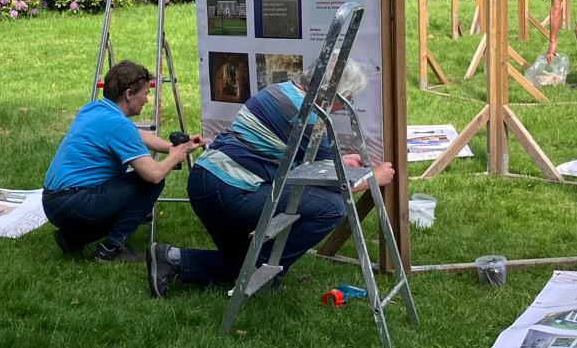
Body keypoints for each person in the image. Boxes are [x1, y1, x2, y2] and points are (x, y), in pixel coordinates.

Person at [146, 60, 393, 297]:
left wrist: (341, 159)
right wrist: (374, 177)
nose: (344, 106)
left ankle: (172, 258)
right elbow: (336, 183)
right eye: (347, 98)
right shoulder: (309, 117)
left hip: (206, 179)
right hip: (230, 189)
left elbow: (298, 155)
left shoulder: (280, 90)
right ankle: (261, 273)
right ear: (333, 93)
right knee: (332, 207)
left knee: (238, 262)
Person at [43, 60, 202, 263]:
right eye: (145, 93)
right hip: (74, 202)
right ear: (129, 94)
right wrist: (176, 157)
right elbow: (153, 175)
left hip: (53, 202)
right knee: (149, 185)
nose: (147, 99)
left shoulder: (94, 109)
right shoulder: (118, 126)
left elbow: (137, 135)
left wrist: (171, 148)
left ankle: (74, 237)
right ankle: (111, 250)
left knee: (129, 194)